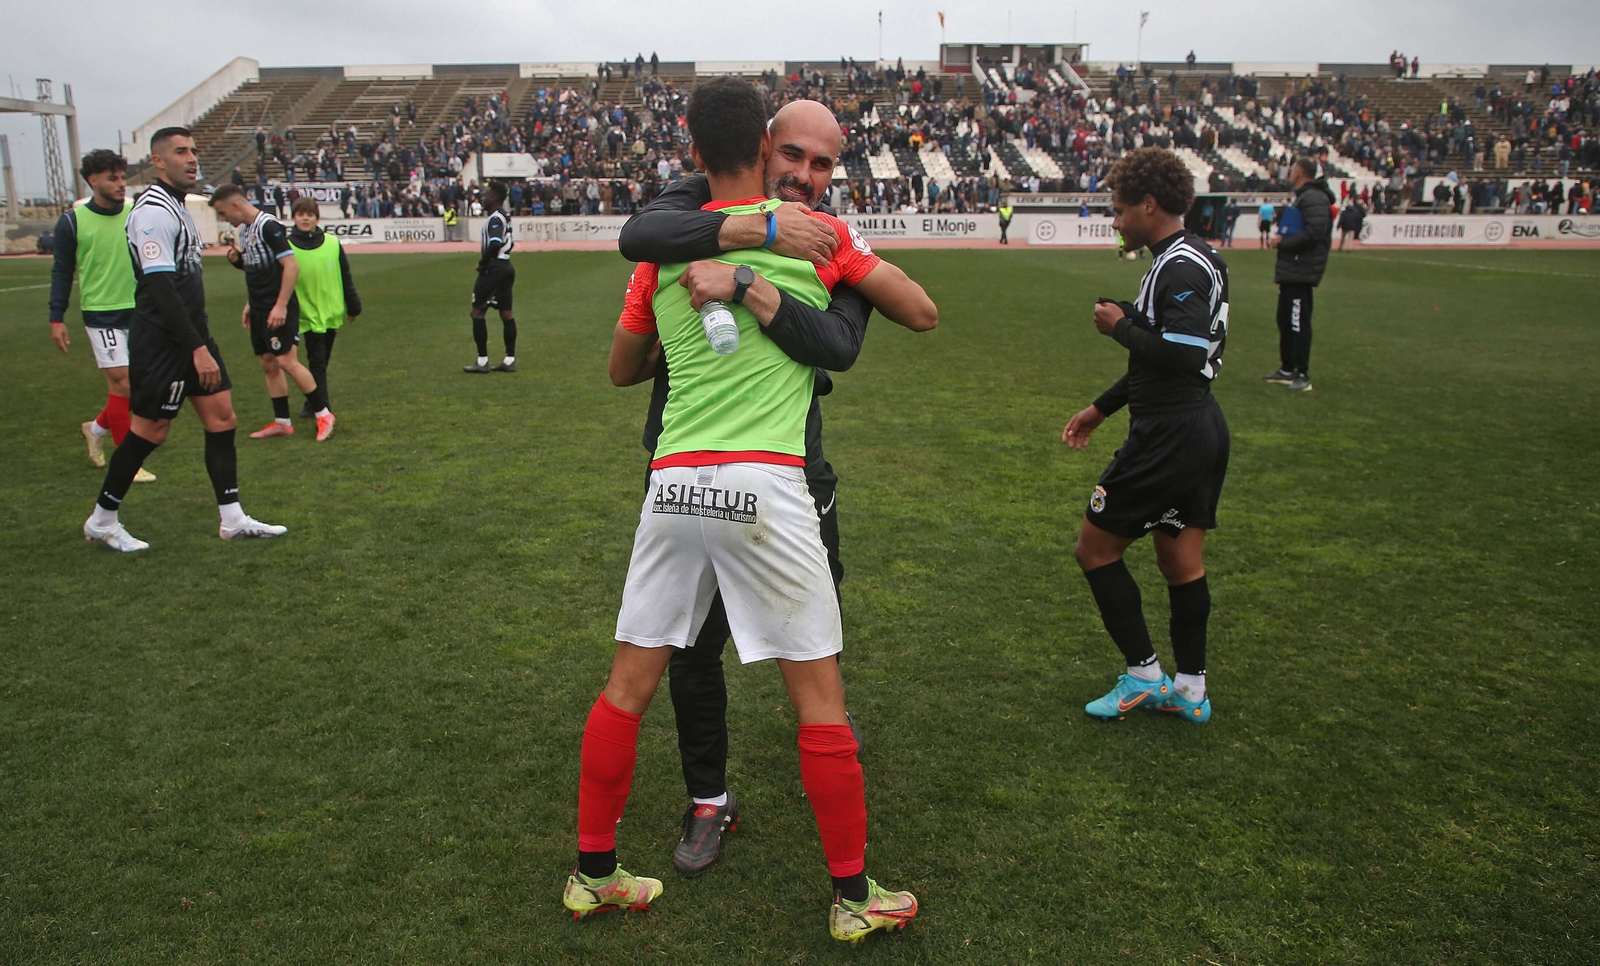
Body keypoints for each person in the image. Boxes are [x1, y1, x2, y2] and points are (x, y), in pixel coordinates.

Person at [566, 76, 930, 943]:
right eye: (794, 156)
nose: (804, 173)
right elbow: (920, 313)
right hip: (766, 485)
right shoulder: (819, 241)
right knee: (819, 699)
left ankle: (594, 874)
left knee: (628, 684)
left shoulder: (661, 254)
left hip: (674, 483)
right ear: (765, 150)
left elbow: (623, 364)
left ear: (693, 154)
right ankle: (852, 898)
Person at [1061, 147, 1230, 725]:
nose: (1116, 220)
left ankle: (1143, 675)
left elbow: (1182, 355)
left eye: (1120, 208)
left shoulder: (1180, 264)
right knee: (1180, 561)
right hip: (1195, 426)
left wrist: (1122, 327)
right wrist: (1101, 408)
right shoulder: (1193, 254)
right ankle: (1190, 690)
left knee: (1094, 549)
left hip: (1170, 437)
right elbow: (1162, 361)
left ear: (1149, 205)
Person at [82, 127, 285, 552]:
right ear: (158, 161)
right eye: (180, 152)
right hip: (165, 341)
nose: (192, 158)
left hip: (193, 334)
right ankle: (102, 519)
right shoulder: (153, 210)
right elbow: (160, 288)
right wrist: (195, 349)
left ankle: (232, 518)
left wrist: (200, 341)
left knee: (222, 417)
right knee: (150, 431)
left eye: (193, 150)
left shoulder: (178, 207)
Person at [48, 149, 156, 484]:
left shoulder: (134, 213)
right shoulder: (72, 222)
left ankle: (94, 429)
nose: (121, 184)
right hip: (101, 313)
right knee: (123, 382)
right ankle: (128, 462)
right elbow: (62, 272)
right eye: (113, 178)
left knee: (134, 387)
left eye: (123, 177)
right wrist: (57, 317)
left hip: (138, 308)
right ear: (93, 180)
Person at [208, 184, 335, 441]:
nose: (223, 219)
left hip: (278, 306)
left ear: (235, 205)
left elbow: (290, 267)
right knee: (268, 362)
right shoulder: (244, 230)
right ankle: (282, 422)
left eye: (222, 213)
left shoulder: (269, 226)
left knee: (287, 361)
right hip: (259, 306)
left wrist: (281, 305)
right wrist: (241, 271)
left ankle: (323, 413)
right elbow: (258, 270)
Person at [287, 197, 362, 417]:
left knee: (322, 359)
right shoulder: (287, 245)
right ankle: (323, 408)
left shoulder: (331, 242)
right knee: (317, 360)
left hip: (331, 310)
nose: (305, 219)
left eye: (309, 214)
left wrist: (353, 304)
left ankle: (312, 403)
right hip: (306, 312)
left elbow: (345, 274)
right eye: (301, 214)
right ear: (294, 217)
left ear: (317, 217)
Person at [1264, 158, 1334, 393]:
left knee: (1297, 323)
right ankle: (1287, 367)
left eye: (1293, 169)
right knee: (1285, 320)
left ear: (1300, 172)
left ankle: (1302, 373)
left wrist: (1284, 242)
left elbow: (1315, 233)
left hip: (1301, 270)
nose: (1290, 172)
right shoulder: (1304, 196)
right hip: (1292, 270)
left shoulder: (1314, 197)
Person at [463, 182, 516, 373]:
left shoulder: (495, 219)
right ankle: (509, 360)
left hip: (495, 268)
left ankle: (482, 361)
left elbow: (494, 244)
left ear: (493, 197)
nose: (483, 199)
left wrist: (483, 263)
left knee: (477, 312)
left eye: (485, 195)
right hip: (506, 266)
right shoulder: (504, 216)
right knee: (506, 313)